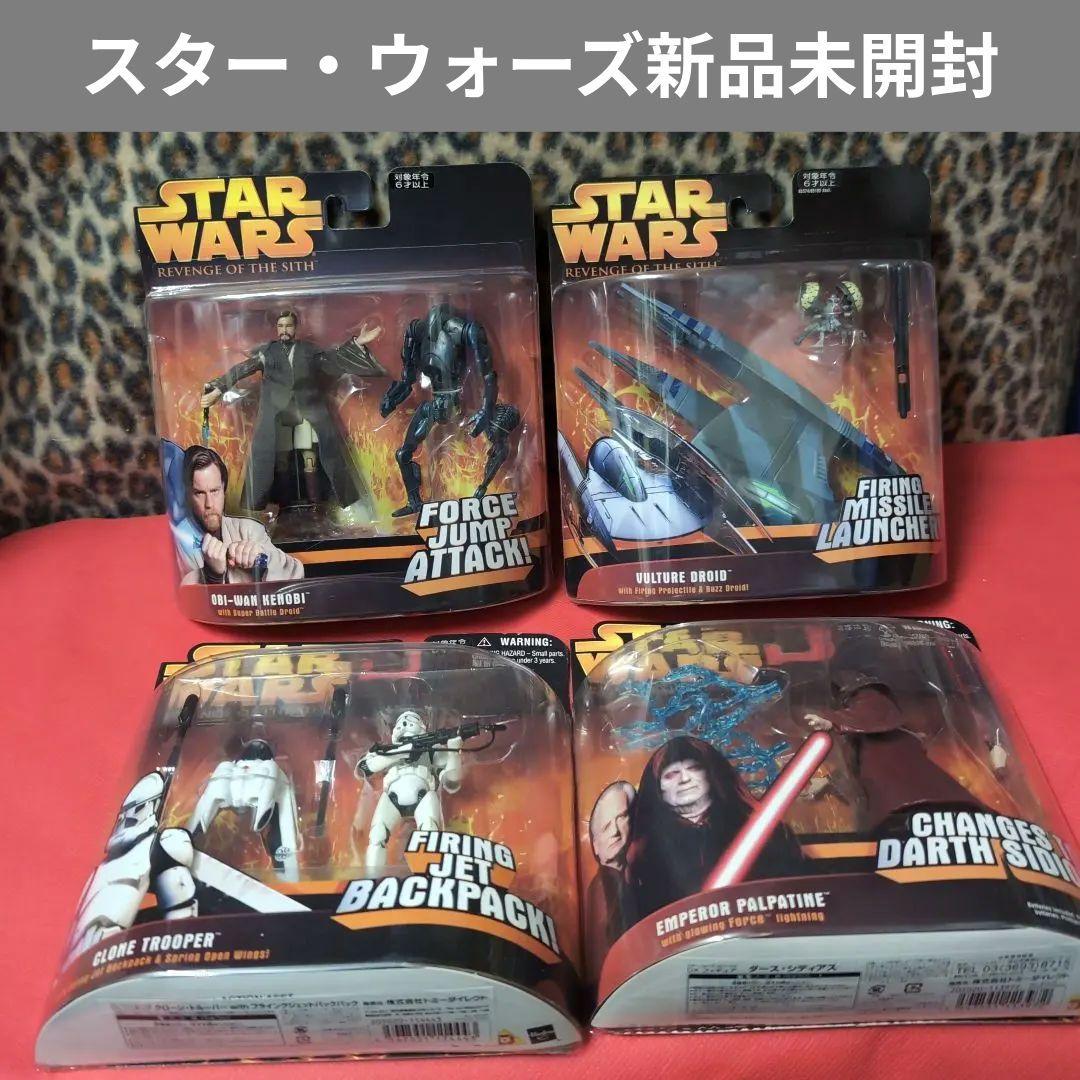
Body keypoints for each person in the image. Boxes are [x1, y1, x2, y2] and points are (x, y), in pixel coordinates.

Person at [200, 309, 384, 511]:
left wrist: (358, 343)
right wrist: (219, 388)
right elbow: (241, 369)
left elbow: (333, 360)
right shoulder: (268, 352)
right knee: (273, 459)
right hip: (277, 416)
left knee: (316, 456)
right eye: (280, 326)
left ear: (295, 327)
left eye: (288, 325)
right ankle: (276, 505)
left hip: (309, 411)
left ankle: (326, 503)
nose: (284, 330)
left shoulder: (309, 351)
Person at [626, 735, 806, 917]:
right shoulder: (646, 850)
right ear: (658, 788)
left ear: (711, 774)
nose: (684, 779)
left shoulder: (763, 831)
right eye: (671, 774)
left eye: (694, 768)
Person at [179, 445, 304, 585]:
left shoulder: (248, 530)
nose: (209, 503)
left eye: (214, 491)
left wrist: (261, 559)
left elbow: (297, 572)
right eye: (199, 493)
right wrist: (211, 575)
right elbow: (180, 592)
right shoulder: (179, 540)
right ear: (188, 495)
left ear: (224, 489)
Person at [585, 781, 636, 951]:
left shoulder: (635, 876)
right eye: (606, 827)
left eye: (621, 817)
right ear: (595, 846)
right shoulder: (602, 888)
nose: (614, 831)